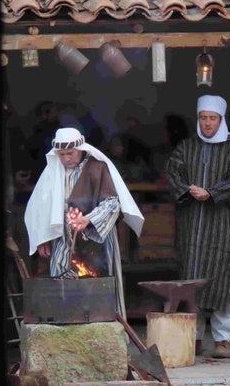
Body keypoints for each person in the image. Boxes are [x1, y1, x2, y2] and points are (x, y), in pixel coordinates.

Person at [24, 127, 144, 317]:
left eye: (70, 153)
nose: (66, 159)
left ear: (81, 148)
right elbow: (39, 206)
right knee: (61, 284)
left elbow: (112, 203)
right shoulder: (53, 169)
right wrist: (42, 237)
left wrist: (88, 219)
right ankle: (64, 330)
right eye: (61, 154)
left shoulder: (98, 168)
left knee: (100, 289)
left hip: (97, 239)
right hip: (62, 236)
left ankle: (107, 330)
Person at [164, 95, 230, 359]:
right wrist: (188, 190)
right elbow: (172, 172)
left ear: (221, 120)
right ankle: (194, 338)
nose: (207, 123)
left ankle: (222, 341)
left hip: (222, 226)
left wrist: (211, 192)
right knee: (191, 282)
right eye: (203, 118)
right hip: (191, 228)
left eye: (212, 118)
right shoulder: (186, 147)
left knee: (222, 281)